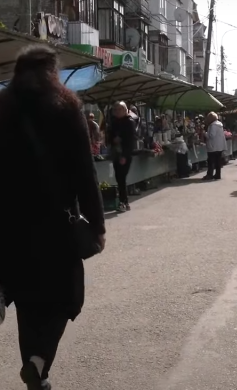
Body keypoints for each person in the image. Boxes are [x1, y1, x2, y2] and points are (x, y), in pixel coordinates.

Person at [0, 45, 106, 390]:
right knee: (66, 297)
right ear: (51, 71)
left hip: (11, 226)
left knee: (27, 300)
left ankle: (36, 368)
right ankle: (39, 361)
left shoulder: (2, 108)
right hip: (54, 224)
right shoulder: (66, 107)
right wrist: (97, 224)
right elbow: (84, 173)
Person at [107, 101, 137, 212]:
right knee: (119, 178)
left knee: (121, 177)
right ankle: (124, 201)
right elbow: (109, 136)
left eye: (120, 109)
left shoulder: (129, 122)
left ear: (125, 110)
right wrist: (112, 140)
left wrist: (125, 155)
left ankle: (123, 201)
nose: (117, 112)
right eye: (115, 110)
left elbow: (131, 140)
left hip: (125, 154)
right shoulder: (113, 122)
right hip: (116, 152)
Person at [203, 112, 226, 181]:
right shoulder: (219, 125)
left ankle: (209, 174)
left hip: (213, 146)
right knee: (217, 161)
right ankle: (217, 174)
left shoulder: (213, 125)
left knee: (211, 161)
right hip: (219, 146)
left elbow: (211, 135)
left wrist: (205, 133)